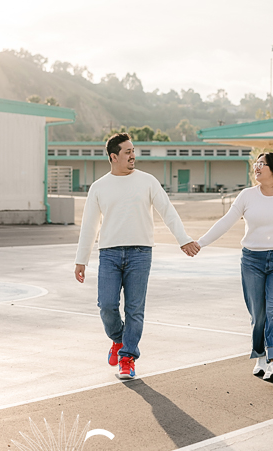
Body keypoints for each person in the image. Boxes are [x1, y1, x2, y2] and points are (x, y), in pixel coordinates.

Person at [75, 133, 200, 380]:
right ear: (113, 157)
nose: (133, 155)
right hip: (109, 254)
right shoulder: (99, 187)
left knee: (135, 309)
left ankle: (128, 358)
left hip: (141, 253)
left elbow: (168, 211)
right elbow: (89, 226)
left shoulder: (147, 181)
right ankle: (118, 340)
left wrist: (183, 239)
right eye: (127, 152)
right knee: (107, 305)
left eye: (133, 150)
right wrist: (82, 259)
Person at [196, 151, 273, 383]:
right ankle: (260, 357)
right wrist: (200, 243)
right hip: (252, 261)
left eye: (262, 164)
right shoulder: (246, 196)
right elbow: (226, 222)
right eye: (256, 164)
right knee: (258, 314)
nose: (257, 167)